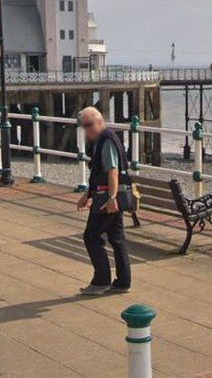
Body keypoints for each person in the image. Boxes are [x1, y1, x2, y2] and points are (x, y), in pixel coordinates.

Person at [76, 106, 131, 295]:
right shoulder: (101, 140)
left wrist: (112, 198)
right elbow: (98, 172)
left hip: (107, 198)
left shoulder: (106, 140)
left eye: (90, 124)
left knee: (91, 237)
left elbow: (112, 171)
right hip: (104, 195)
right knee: (117, 238)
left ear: (100, 122)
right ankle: (123, 282)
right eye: (85, 126)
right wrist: (87, 195)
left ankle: (101, 281)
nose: (87, 129)